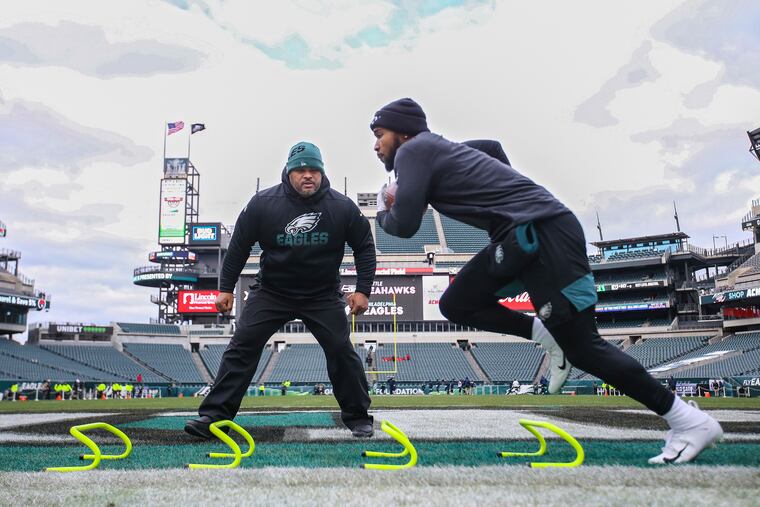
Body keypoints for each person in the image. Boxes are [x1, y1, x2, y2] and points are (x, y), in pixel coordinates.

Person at [369, 97, 723, 464]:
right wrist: (505, 204)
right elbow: (492, 148)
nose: (376, 146)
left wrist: (383, 212)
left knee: (584, 347)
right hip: (519, 236)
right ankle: (545, 334)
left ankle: (688, 420)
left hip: (547, 233)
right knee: (456, 302)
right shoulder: (435, 148)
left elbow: (406, 224)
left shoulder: (414, 151)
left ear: (403, 132)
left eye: (380, 135)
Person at [185, 141, 376, 440]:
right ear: (288, 172)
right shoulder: (263, 203)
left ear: (323, 173)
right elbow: (238, 248)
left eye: (314, 169)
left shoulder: (341, 207)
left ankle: (358, 417)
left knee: (341, 350)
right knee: (242, 346)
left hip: (321, 293)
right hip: (272, 291)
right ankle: (214, 416)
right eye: (300, 170)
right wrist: (225, 289)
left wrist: (363, 290)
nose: (307, 175)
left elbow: (364, 246)